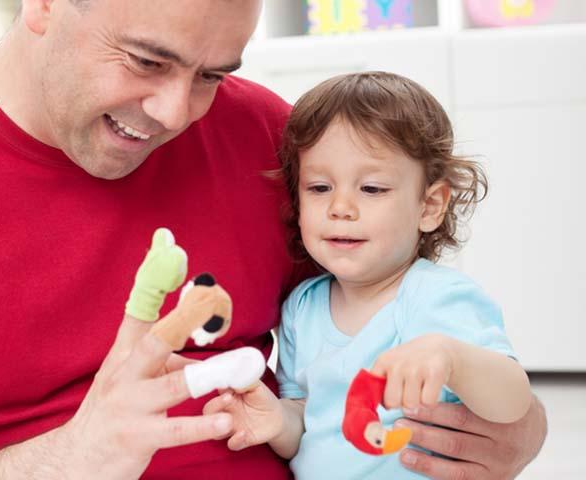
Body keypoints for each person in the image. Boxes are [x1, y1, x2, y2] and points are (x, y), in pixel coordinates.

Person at [0, 1, 546, 479]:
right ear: (42, 4)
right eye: (145, 60)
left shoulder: (268, 142)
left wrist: (515, 431)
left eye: (212, 73)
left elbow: (403, 311)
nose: (175, 113)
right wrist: (72, 459)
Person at [203, 72, 537, 479]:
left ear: (430, 206)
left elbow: (513, 399)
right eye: (320, 188)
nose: (341, 207)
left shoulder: (435, 296)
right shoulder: (302, 307)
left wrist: (452, 358)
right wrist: (276, 420)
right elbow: (307, 419)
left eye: (373, 189)